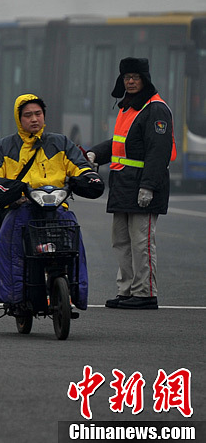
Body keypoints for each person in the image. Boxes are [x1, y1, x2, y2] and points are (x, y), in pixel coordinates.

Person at [0, 94, 104, 313]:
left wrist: (86, 178)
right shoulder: (4, 146)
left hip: (57, 209)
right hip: (22, 209)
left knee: (74, 241)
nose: (34, 119)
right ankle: (14, 298)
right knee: (10, 247)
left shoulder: (61, 142)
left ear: (44, 116)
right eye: (28, 115)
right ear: (19, 119)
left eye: (38, 114)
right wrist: (6, 188)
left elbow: (81, 166)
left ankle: (75, 293)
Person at [87, 57, 176, 310]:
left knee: (142, 242)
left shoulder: (156, 109)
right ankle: (126, 290)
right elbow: (120, 143)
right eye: (127, 77)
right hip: (122, 185)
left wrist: (148, 187)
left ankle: (145, 293)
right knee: (121, 241)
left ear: (145, 79)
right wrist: (95, 154)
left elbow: (159, 153)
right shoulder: (128, 107)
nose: (131, 81)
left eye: (135, 77)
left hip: (142, 188)